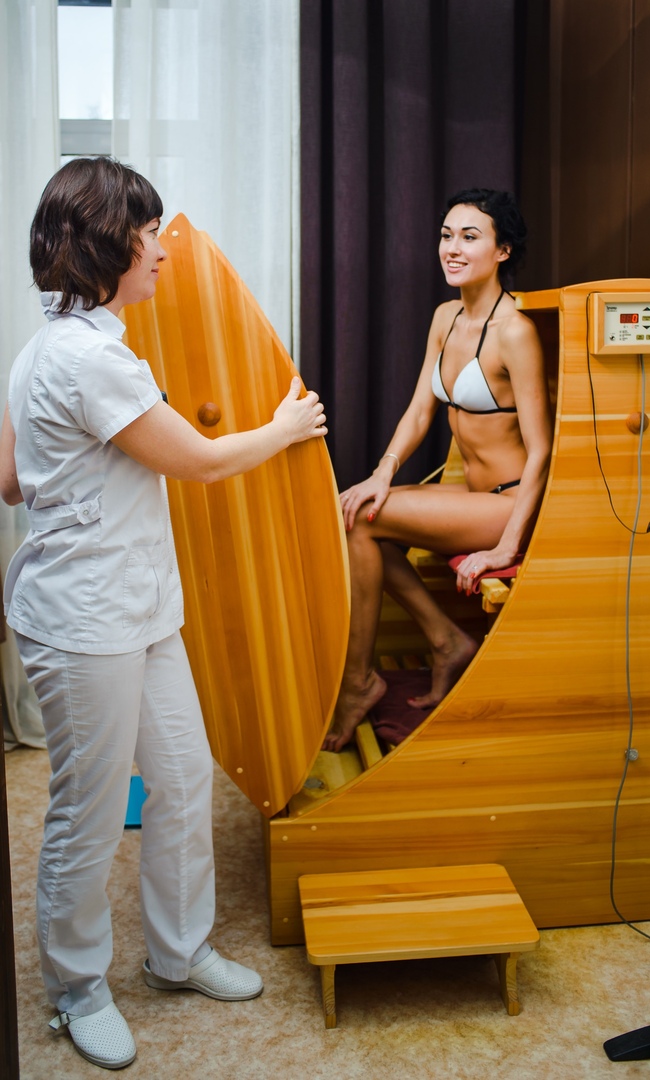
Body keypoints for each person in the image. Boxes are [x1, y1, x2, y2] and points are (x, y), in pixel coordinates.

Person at [0, 157, 327, 1070]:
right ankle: (77, 989)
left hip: (137, 605)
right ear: (110, 245)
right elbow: (201, 462)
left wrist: (76, 476)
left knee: (181, 779)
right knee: (90, 812)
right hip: (84, 619)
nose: (162, 252)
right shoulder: (88, 358)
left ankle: (179, 954)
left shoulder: (48, 346)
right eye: (148, 236)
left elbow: (11, 480)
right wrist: (286, 429)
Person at [323, 188, 552, 753]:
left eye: (470, 237)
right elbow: (421, 410)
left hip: (509, 506)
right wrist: (383, 471)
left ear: (503, 251)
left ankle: (360, 682)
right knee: (360, 513)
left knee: (361, 521)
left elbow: (542, 450)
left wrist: (506, 547)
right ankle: (443, 641)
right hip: (475, 501)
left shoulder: (514, 331)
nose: (452, 248)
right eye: (447, 235)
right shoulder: (446, 317)